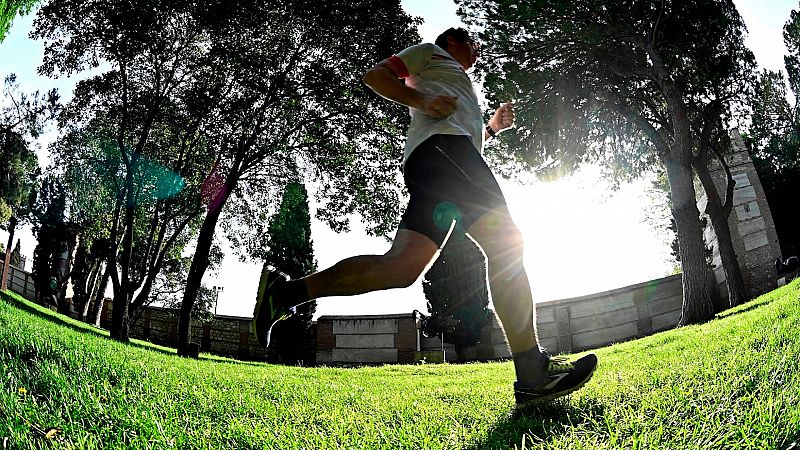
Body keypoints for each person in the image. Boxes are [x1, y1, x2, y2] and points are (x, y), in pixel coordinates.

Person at [252, 27, 597, 404]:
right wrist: (421, 100)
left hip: (443, 161)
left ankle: (284, 293)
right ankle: (533, 371)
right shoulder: (430, 53)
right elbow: (376, 75)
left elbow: (466, 131)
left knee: (401, 268)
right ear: (452, 41)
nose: (477, 50)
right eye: (472, 42)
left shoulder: (457, 80)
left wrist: (492, 127)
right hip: (444, 154)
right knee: (506, 244)